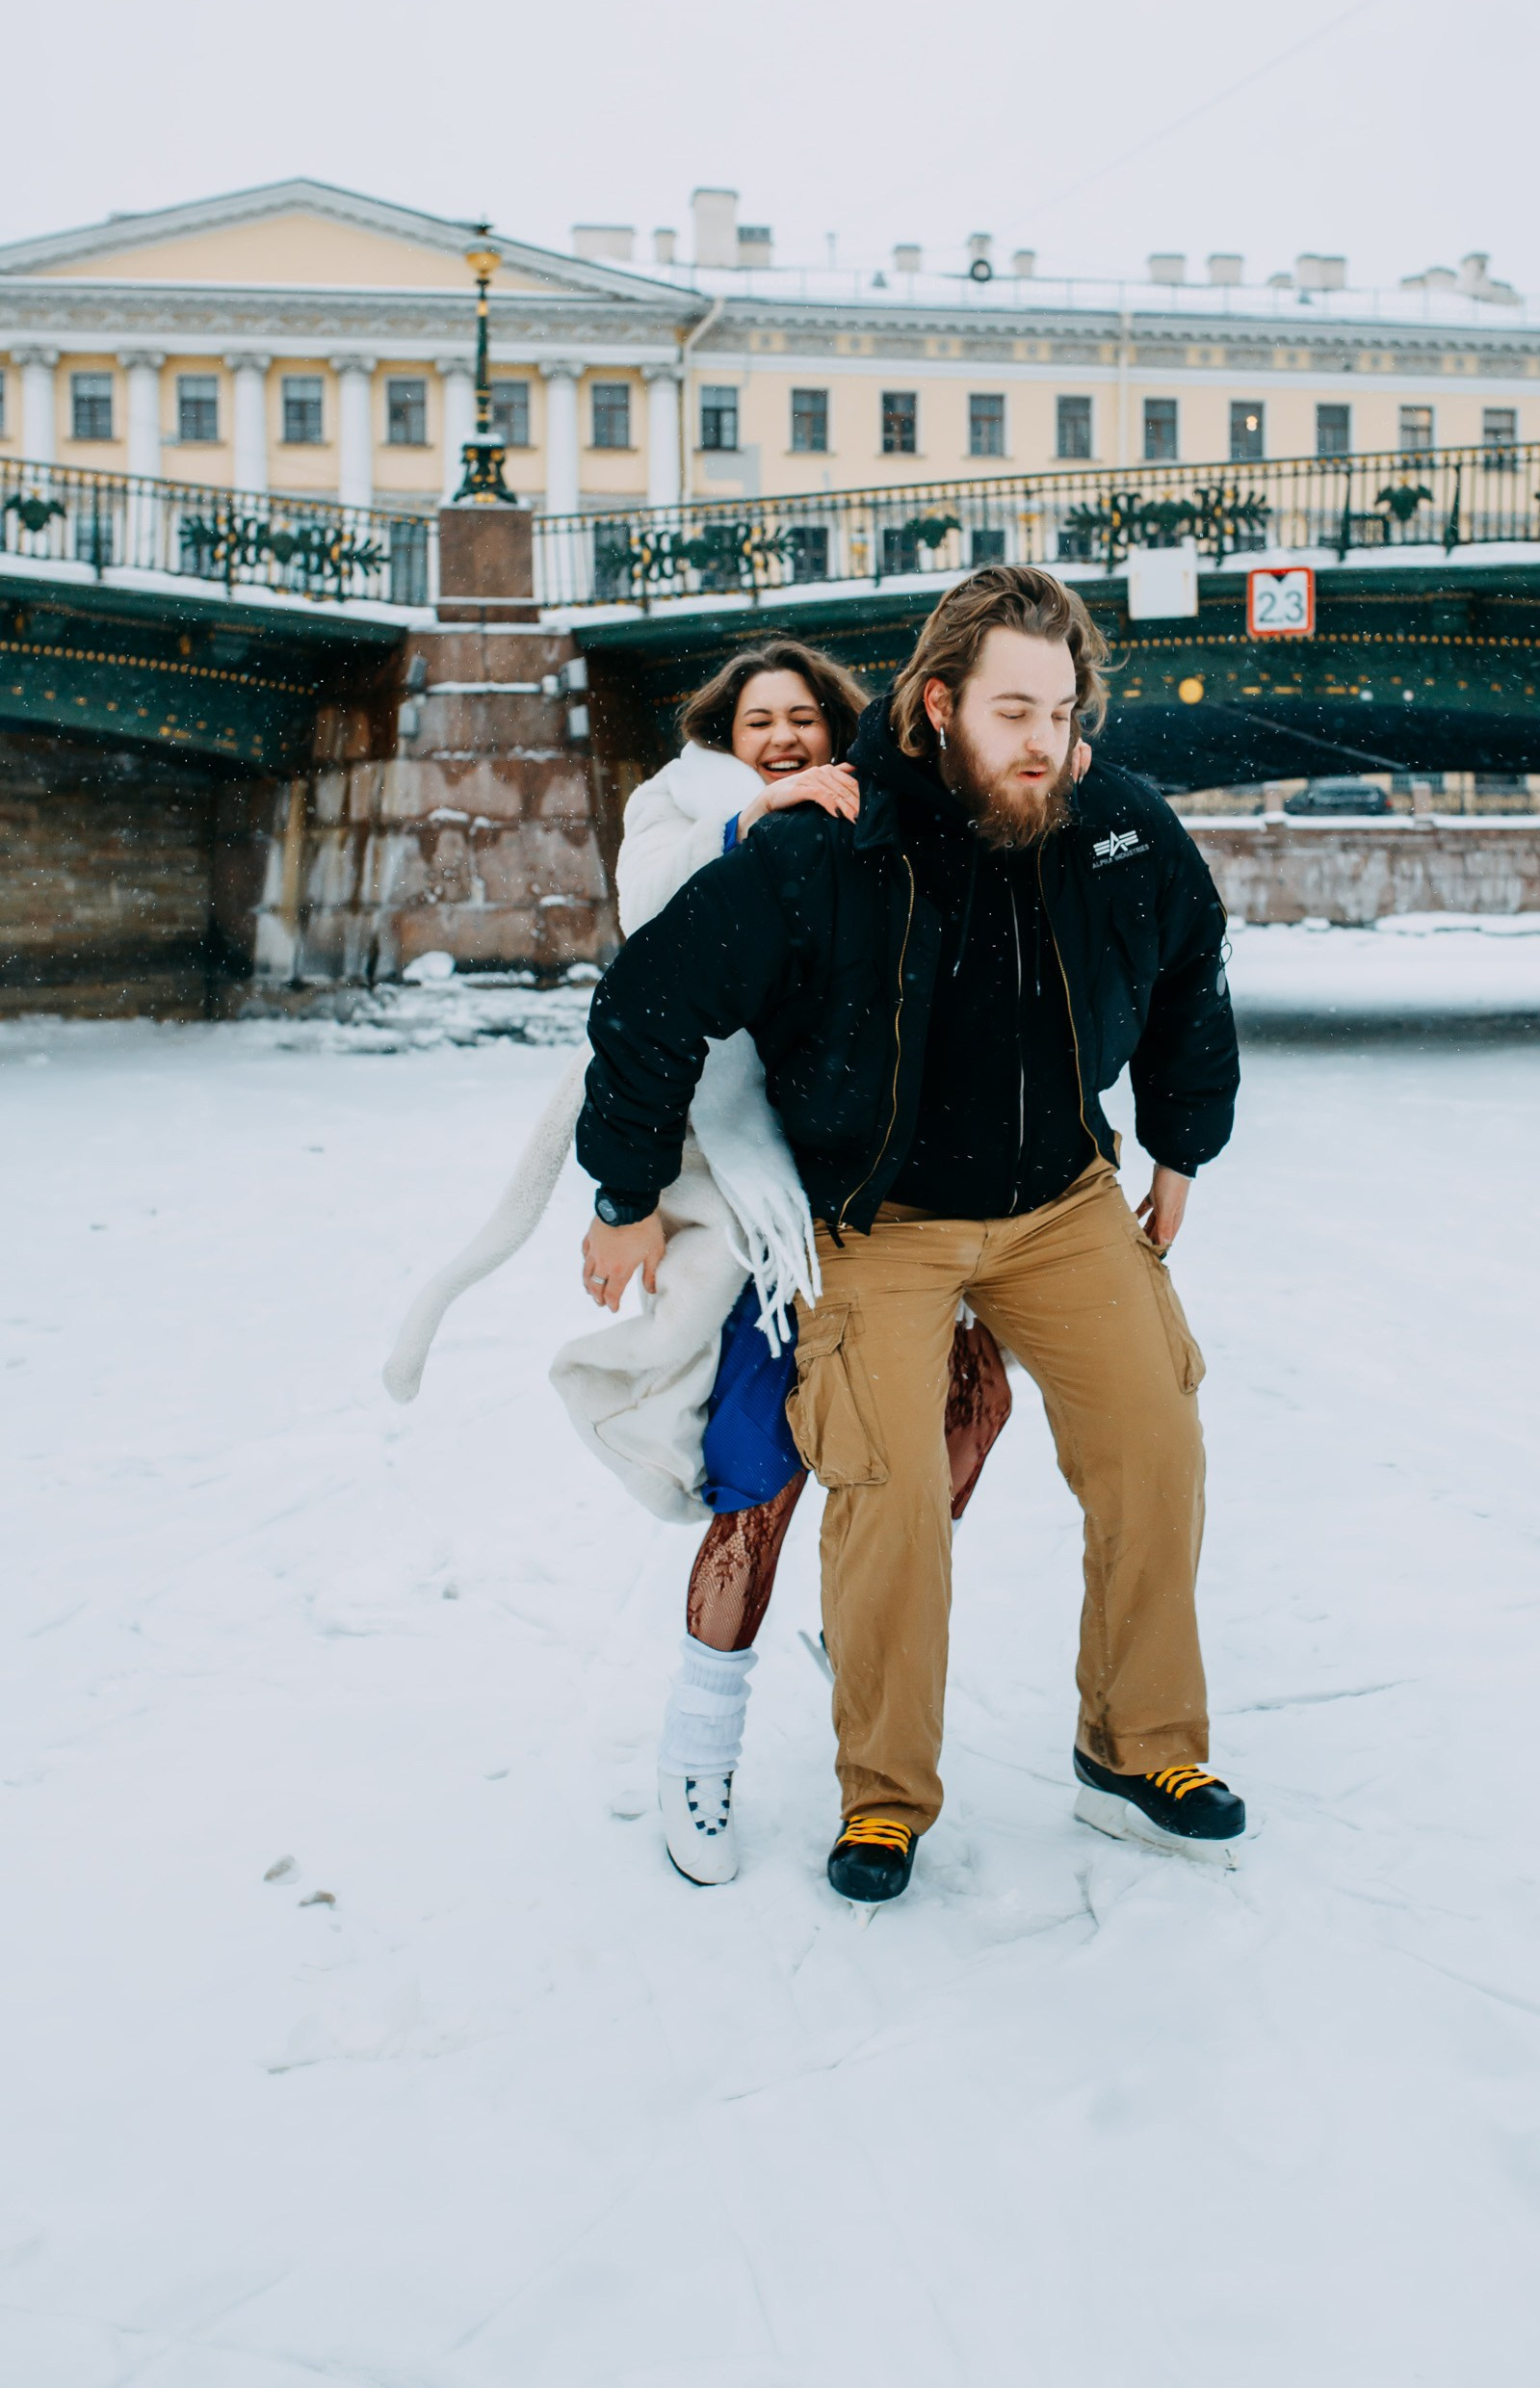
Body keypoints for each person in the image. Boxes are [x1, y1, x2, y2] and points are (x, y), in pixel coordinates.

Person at [578, 566, 1245, 1904]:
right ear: (938, 704)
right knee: (885, 1497)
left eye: (1059, 712)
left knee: (1154, 1445)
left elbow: (1189, 963)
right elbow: (651, 999)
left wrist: (1181, 1141)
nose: (1043, 742)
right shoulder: (831, 838)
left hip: (1061, 1205)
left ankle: (1137, 1752)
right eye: (1013, 712)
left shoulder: (1109, 821)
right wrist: (626, 1191)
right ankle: (884, 1797)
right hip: (883, 1222)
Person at [383, 636, 1010, 1893]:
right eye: (756, 721)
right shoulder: (682, 815)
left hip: (873, 1198)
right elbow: (659, 957)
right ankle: (699, 1747)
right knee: (760, 1476)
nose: (780, 737)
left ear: (840, 735)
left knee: (970, 1403)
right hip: (739, 1197)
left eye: (803, 722)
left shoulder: (875, 834)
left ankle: (855, 1611)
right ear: (725, 736)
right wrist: (626, 1201)